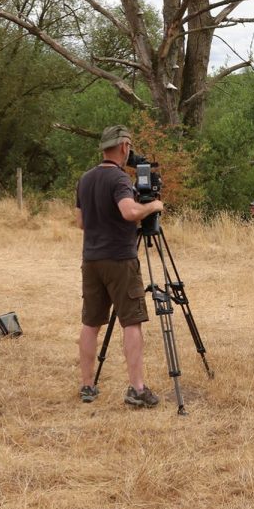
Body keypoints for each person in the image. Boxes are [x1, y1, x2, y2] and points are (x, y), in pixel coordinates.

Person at [75, 125, 165, 407]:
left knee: (91, 323)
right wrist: (153, 206)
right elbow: (130, 212)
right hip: (120, 259)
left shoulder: (85, 179)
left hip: (91, 259)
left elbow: (80, 222)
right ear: (125, 146)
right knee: (132, 321)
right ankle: (137, 389)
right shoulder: (119, 179)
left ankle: (87, 385)